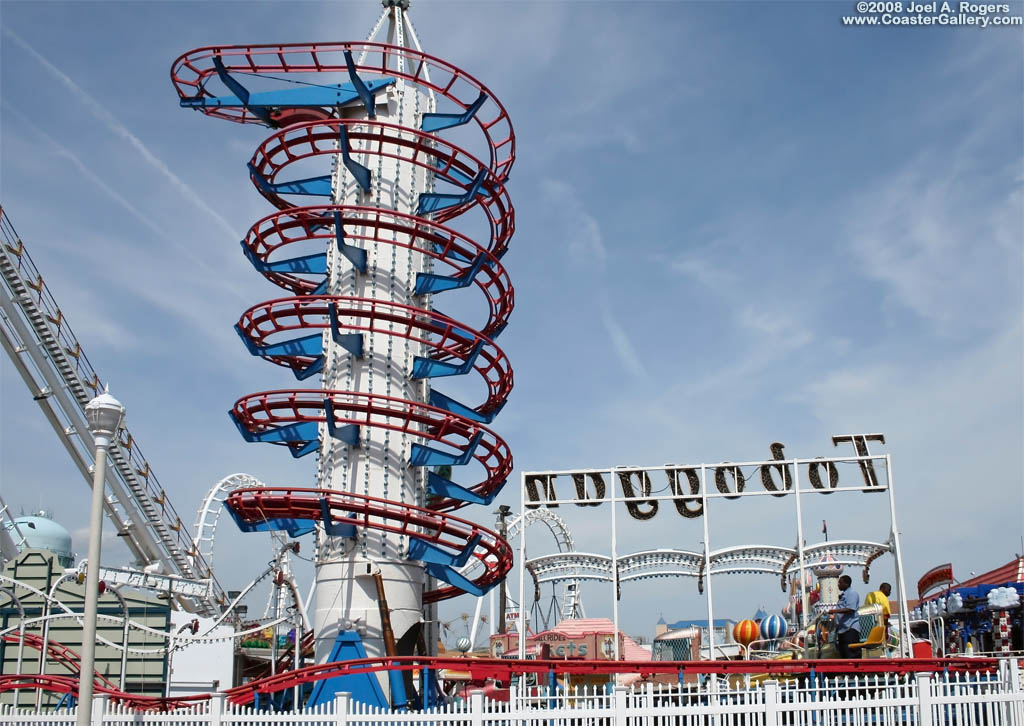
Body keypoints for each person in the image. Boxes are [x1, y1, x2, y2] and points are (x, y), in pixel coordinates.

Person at [833, 574, 861, 658]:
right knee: (844, 653)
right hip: (842, 629)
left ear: (846, 584)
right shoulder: (843, 595)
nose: (838, 585)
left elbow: (850, 609)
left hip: (850, 628)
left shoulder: (852, 594)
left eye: (840, 583)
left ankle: (854, 671)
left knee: (851, 654)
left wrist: (834, 611)